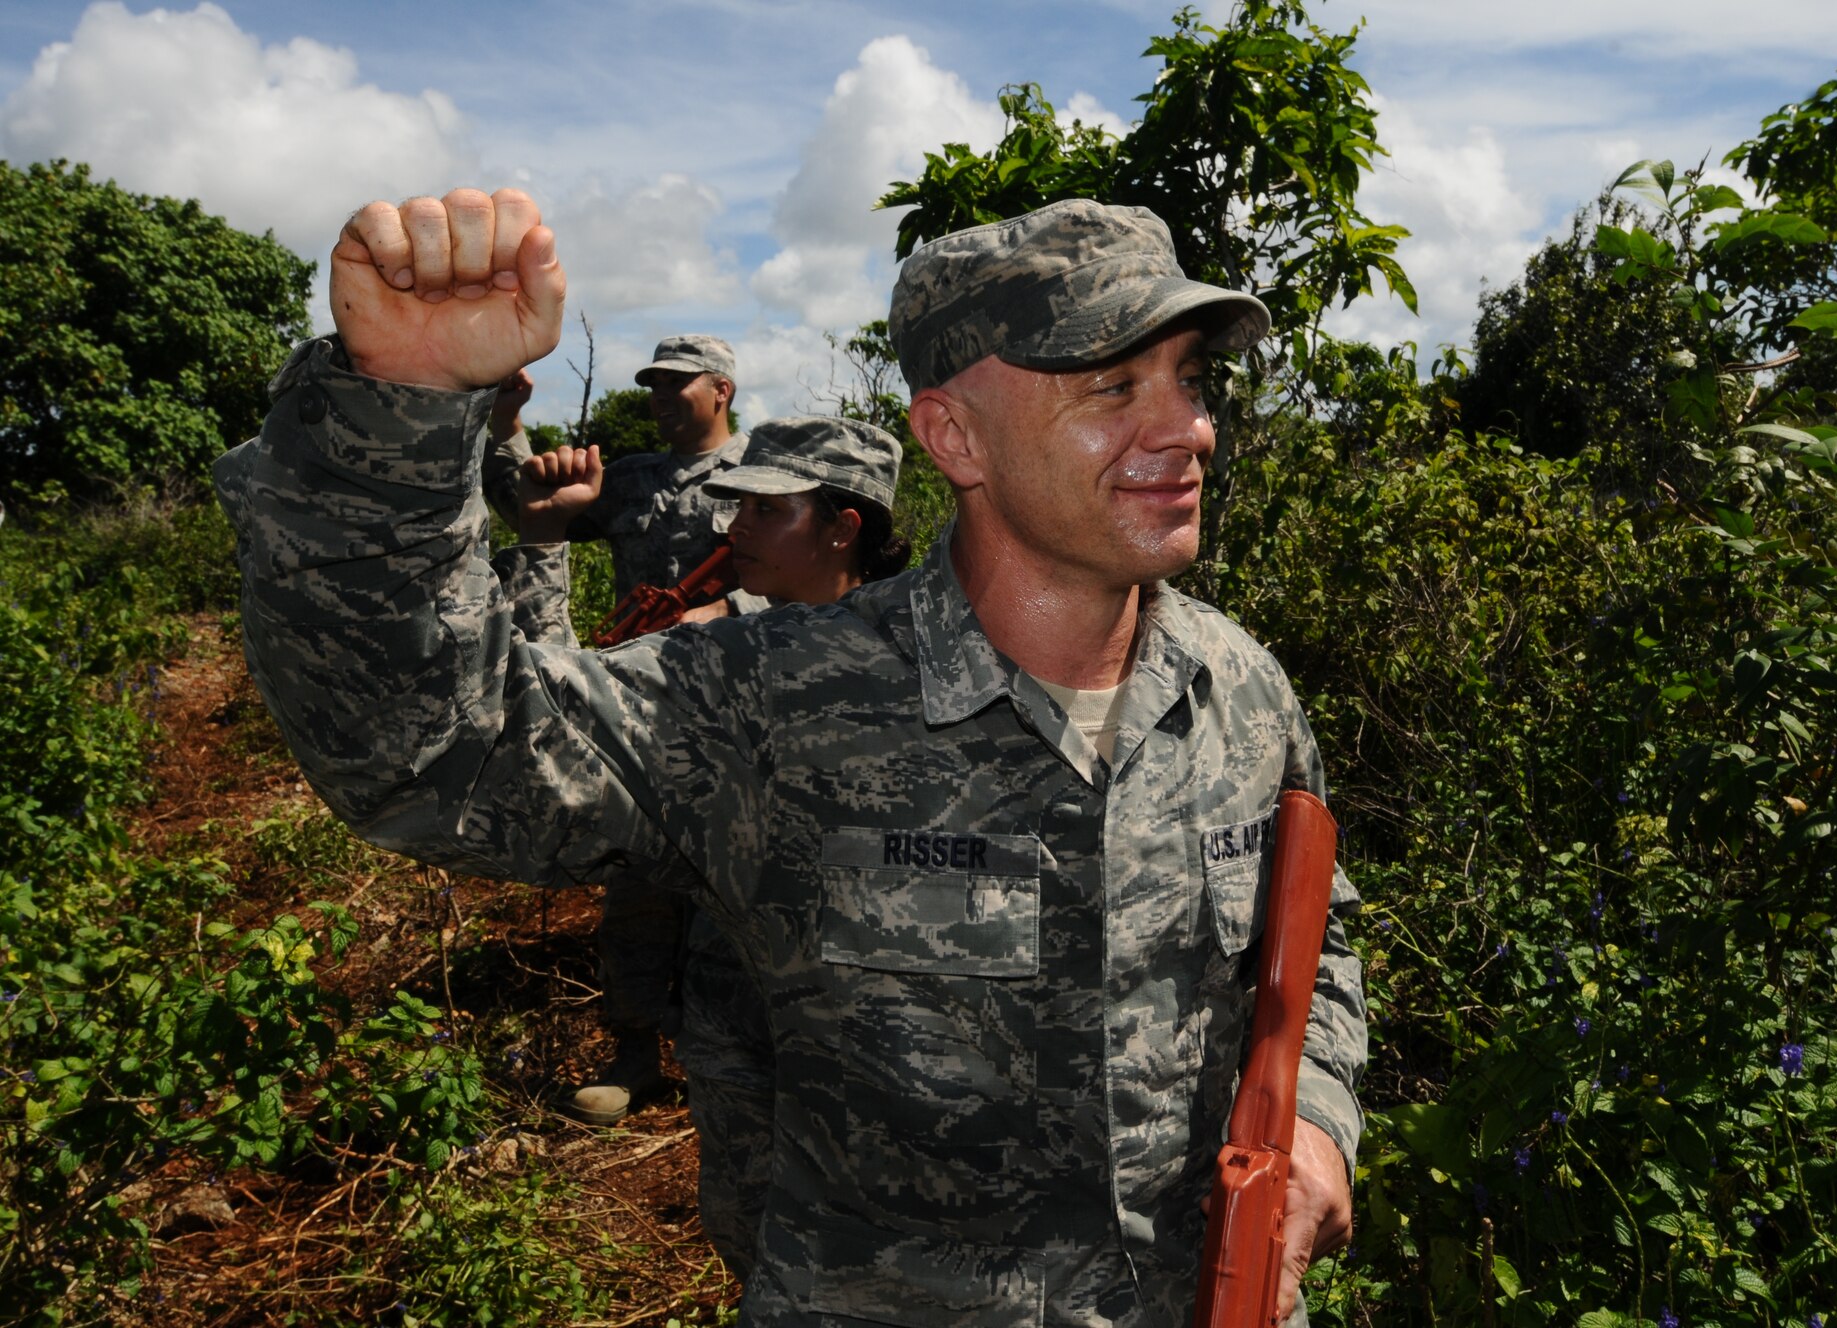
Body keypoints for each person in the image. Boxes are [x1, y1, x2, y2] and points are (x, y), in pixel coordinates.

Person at [216, 187, 1365, 1325]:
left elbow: (1313, 934)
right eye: (1114, 384)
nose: (1187, 427)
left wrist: (1311, 1114)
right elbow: (435, 756)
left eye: (1189, 379)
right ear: (951, 436)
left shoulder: (1242, 689)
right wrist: (397, 420)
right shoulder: (773, 703)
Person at [497, 416, 910, 1280]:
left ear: (844, 527)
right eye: (736, 509)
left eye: (767, 512)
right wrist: (542, 537)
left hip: (882, 1054)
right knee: (753, 1244)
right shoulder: (716, 656)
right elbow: (551, 717)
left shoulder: (932, 662)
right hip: (744, 1051)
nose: (735, 530)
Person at [487, 333, 767, 1126]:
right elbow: (529, 509)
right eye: (652, 385)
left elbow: (821, 573)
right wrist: (508, 424)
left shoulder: (766, 474)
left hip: (741, 698)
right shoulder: (633, 477)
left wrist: (732, 612)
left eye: (677, 385)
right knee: (638, 878)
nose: (659, 398)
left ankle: (735, 1054)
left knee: (736, 885)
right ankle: (634, 1053)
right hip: (639, 698)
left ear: (722, 390)